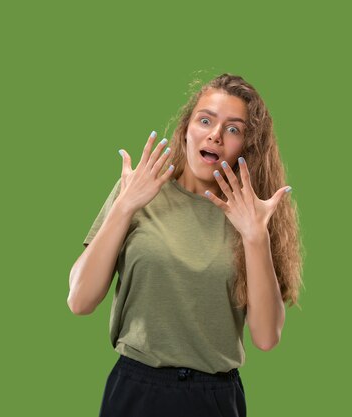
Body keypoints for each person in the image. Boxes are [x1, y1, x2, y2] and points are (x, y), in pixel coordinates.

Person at [67, 73, 304, 417]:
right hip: (136, 390)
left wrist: (255, 237)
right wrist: (124, 206)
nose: (215, 135)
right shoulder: (139, 191)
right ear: (185, 128)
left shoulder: (250, 216)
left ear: (248, 146)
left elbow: (266, 337)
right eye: (205, 120)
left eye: (233, 129)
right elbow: (79, 300)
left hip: (215, 398)